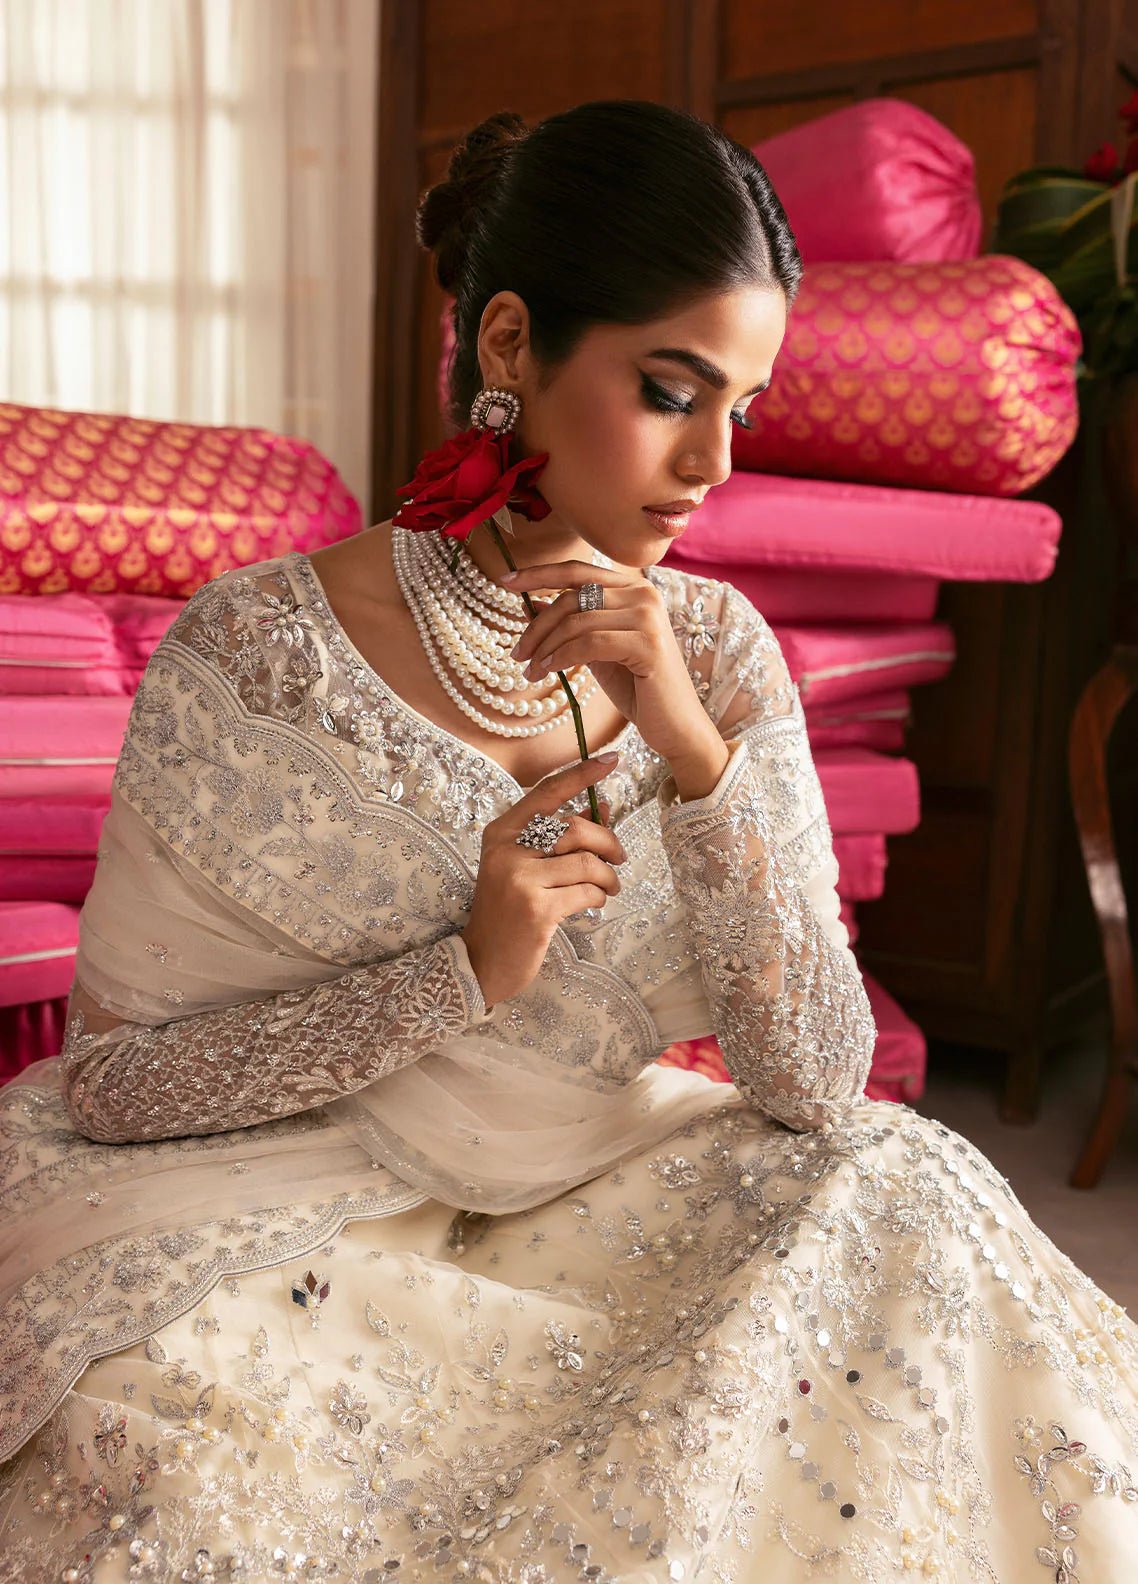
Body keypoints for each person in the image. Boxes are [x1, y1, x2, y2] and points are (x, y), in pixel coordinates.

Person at [0, 99, 1135, 1584]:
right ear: (513, 345)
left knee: (904, 1188)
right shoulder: (256, 649)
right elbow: (124, 1088)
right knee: (201, 1460)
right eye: (671, 390)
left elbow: (814, 1082)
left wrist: (691, 745)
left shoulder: (716, 655)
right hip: (278, 1211)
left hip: (597, 1175)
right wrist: (467, 968)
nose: (715, 459)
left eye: (740, 402)